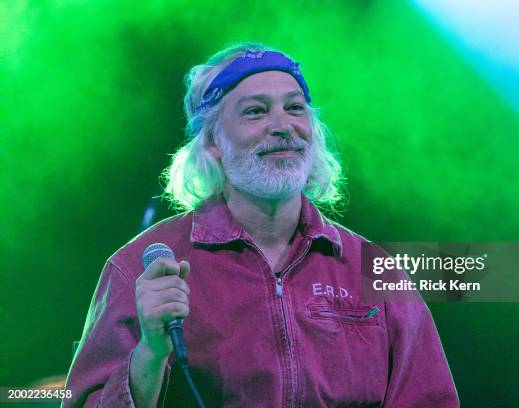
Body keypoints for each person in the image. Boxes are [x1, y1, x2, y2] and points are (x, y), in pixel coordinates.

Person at [63, 43, 458, 407]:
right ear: (214, 141)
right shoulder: (138, 268)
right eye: (255, 111)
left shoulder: (372, 266)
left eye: (295, 108)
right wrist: (150, 351)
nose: (282, 125)